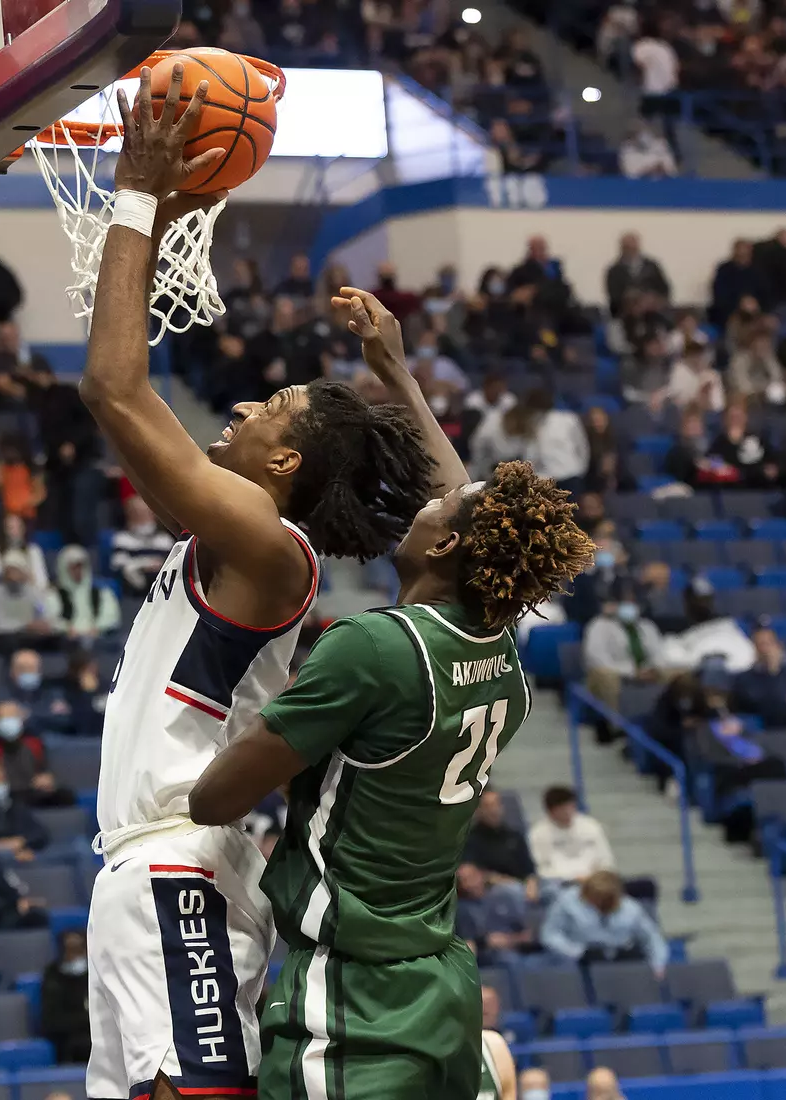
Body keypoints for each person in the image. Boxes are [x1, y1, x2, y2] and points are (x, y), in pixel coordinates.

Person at [81, 80, 446, 1100]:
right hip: (142, 870)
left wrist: (136, 196)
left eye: (267, 408)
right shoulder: (236, 537)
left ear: (283, 466)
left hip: (182, 865)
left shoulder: (271, 546)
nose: (239, 407)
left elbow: (114, 388)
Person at [187, 428, 589, 1092]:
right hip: (438, 976)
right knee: (496, 1060)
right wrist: (393, 369)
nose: (425, 503)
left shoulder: (376, 648)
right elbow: (459, 505)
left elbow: (213, 800)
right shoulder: (504, 662)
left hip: (353, 998)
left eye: (438, 507)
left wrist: (273, 703)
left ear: (446, 544)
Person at [538, 871, 669, 975]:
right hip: (579, 961)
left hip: (619, 961)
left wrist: (658, 965)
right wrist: (578, 952)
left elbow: (652, 937)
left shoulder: (630, 908)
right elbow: (550, 935)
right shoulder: (566, 901)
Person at [527, 785, 616, 891]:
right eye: (562, 809)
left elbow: (606, 860)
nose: (568, 812)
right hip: (559, 883)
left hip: (594, 881)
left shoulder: (591, 826)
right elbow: (541, 868)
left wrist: (595, 878)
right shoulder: (538, 833)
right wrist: (572, 878)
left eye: (571, 807)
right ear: (550, 812)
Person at [109, 495, 176, 603]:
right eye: (136, 512)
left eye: (144, 512)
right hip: (134, 589)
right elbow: (118, 564)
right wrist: (145, 564)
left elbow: (173, 564)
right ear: (129, 514)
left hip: (162, 587)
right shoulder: (122, 539)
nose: (140, 516)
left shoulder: (164, 540)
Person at [463, 789, 537, 886]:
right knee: (512, 891)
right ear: (478, 810)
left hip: (523, 885)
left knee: (553, 889)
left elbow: (529, 869)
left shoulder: (515, 836)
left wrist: (532, 883)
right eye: (487, 806)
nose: (494, 810)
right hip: (493, 887)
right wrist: (501, 880)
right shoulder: (470, 840)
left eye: (496, 804)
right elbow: (472, 871)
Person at [41, 929, 92, 1065]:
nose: (75, 956)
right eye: (70, 950)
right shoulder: (53, 977)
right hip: (68, 1043)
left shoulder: (96, 973)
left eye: (78, 950)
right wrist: (86, 1020)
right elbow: (51, 1021)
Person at [52, 543, 122, 642]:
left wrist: (96, 628)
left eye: (80, 566)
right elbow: (50, 619)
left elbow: (112, 617)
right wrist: (66, 628)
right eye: (73, 567)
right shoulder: (53, 595)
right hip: (65, 641)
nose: (78, 571)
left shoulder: (102, 592)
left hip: (98, 639)